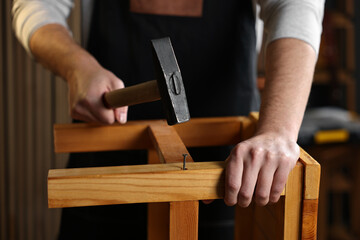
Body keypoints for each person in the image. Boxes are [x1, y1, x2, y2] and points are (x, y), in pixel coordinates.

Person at [13, 0, 325, 239]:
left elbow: (297, 5)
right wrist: (76, 65)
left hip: (225, 171)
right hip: (105, 159)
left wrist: (278, 130)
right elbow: (37, 7)